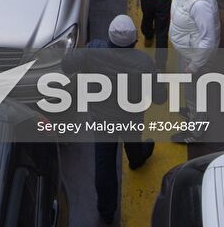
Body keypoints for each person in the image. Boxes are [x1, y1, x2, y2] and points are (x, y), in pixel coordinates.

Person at [63, 15, 161, 225]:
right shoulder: (144, 63)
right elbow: (160, 96)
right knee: (133, 142)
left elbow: (67, 65)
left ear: (109, 37)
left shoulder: (94, 50)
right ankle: (137, 159)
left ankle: (107, 211)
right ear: (134, 41)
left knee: (104, 162)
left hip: (102, 117)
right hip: (131, 117)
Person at [168, 0, 220, 143]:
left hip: (196, 58)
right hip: (188, 51)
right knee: (191, 90)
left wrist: (194, 66)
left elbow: (208, 39)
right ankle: (193, 113)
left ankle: (196, 132)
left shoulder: (200, 3)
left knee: (196, 94)